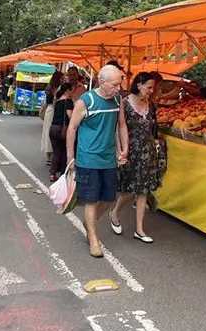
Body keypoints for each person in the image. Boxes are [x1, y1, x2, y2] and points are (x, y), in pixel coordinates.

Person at [65, 65, 128, 258]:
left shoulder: (118, 100)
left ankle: (89, 224)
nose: (118, 88)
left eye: (120, 84)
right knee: (91, 199)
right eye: (115, 85)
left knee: (108, 198)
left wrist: (125, 148)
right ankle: (93, 238)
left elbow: (122, 124)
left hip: (109, 158)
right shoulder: (86, 101)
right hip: (88, 158)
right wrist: (70, 157)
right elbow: (72, 128)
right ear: (102, 82)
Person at [111, 72, 161, 243]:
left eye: (152, 88)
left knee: (143, 190)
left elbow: (152, 128)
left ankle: (140, 229)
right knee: (131, 189)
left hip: (147, 151)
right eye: (149, 87)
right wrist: (120, 150)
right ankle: (115, 211)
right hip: (130, 150)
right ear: (139, 85)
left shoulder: (150, 104)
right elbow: (118, 128)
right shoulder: (124, 103)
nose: (151, 91)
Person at [48, 82, 74, 183]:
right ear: (67, 90)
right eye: (72, 90)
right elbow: (69, 115)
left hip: (53, 128)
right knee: (64, 151)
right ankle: (63, 174)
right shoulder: (68, 101)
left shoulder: (58, 101)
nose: (73, 92)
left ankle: (52, 173)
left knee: (56, 152)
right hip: (62, 129)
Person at [41, 71, 64, 165]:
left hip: (50, 110)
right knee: (51, 132)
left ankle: (49, 156)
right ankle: (51, 156)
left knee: (48, 132)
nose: (64, 79)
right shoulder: (56, 88)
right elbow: (54, 101)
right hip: (52, 110)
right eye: (62, 78)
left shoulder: (50, 86)